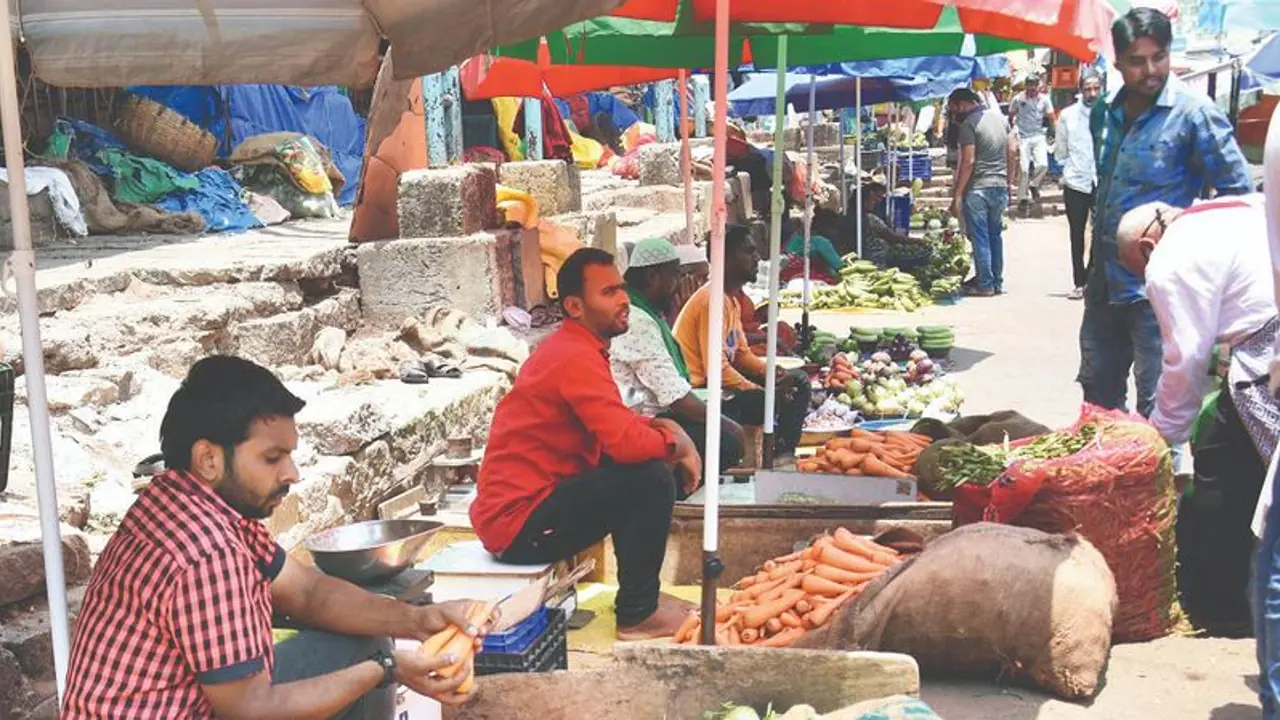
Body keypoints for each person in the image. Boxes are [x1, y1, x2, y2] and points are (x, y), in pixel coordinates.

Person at [62, 356, 492, 719]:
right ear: (208, 458)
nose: (291, 474)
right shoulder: (207, 551)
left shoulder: (186, 498)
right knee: (371, 659)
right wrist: (386, 669)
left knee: (367, 641)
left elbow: (306, 593)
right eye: (272, 458)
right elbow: (252, 709)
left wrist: (416, 621)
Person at [471, 247, 702, 641]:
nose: (624, 299)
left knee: (648, 467)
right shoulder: (572, 356)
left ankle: (641, 599)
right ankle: (638, 614)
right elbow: (626, 444)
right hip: (517, 525)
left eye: (622, 289)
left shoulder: (579, 351)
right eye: (609, 292)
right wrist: (676, 444)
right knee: (650, 478)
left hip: (535, 507)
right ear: (575, 306)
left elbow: (614, 423)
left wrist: (665, 429)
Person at [1116, 196, 1278, 638]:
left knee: (1218, 473)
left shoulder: (1167, 261)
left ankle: (1218, 605)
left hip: (1268, 354)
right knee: (1240, 469)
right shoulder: (1233, 209)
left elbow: (1185, 358)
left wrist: (1160, 436)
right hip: (1263, 345)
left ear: (1148, 246)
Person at [1079, 7, 1251, 420]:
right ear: (1117, 62)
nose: (1150, 69)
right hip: (1103, 283)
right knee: (1096, 399)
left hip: (1163, 292)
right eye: (1137, 61)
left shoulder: (1195, 114)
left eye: (1159, 57)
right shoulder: (1104, 112)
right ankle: (1106, 482)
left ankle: (1157, 483)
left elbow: (1240, 198)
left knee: (1160, 407)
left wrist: (1190, 235)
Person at [612, 237, 747, 477]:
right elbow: (674, 396)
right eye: (674, 276)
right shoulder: (636, 319)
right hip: (646, 421)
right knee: (727, 439)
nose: (679, 285)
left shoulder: (648, 312)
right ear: (653, 277)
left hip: (662, 412)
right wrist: (727, 425)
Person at [673, 224, 812, 454]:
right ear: (725, 258)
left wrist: (768, 372)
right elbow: (716, 369)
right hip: (700, 393)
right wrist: (757, 389)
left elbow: (740, 353)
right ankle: (773, 452)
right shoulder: (712, 301)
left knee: (797, 381)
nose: (757, 257)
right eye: (749, 251)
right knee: (769, 399)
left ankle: (783, 450)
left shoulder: (730, 300)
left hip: (718, 383)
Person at [948, 87, 1012, 297]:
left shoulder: (969, 125)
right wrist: (1009, 182)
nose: (954, 114)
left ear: (962, 104)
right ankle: (996, 281)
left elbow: (968, 161)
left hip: (979, 188)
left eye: (954, 109)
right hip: (1000, 186)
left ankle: (985, 283)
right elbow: (1012, 151)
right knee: (995, 236)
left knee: (980, 237)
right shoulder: (1000, 119)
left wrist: (958, 194)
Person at [1054, 68, 1104, 300]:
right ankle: (1079, 281)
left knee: (1101, 231)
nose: (1092, 93)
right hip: (1076, 180)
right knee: (1076, 232)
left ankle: (1093, 277)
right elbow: (1060, 150)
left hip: (1102, 179)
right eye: (1087, 89)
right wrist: (1069, 166)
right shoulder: (1068, 116)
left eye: (1096, 88)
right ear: (1080, 91)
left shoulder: (1111, 113)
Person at [1008, 73, 1056, 217]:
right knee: (1023, 169)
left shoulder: (1045, 100)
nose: (1033, 88)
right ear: (1026, 85)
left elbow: (1051, 117)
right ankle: (1022, 198)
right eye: (1030, 85)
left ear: (1039, 86)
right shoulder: (1018, 99)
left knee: (1043, 165)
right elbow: (1011, 115)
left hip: (1039, 135)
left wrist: (1053, 133)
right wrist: (1013, 132)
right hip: (1023, 137)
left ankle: (1033, 185)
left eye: (1035, 85)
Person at [855, 181, 922, 269]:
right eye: (873, 199)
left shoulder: (871, 215)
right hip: (874, 260)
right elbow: (892, 237)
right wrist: (917, 241)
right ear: (864, 201)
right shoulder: (869, 218)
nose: (877, 201)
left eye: (879, 198)